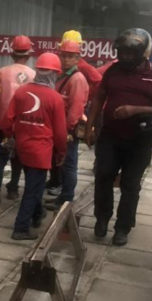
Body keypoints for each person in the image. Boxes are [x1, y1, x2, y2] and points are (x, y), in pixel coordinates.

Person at [85, 28, 152, 247]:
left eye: (129, 53)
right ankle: (102, 219)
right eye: (122, 52)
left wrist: (134, 110)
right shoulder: (113, 71)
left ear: (143, 53)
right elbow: (99, 98)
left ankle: (123, 228)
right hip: (110, 137)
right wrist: (90, 127)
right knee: (103, 177)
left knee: (130, 185)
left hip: (139, 140)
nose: (124, 57)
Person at [0, 53, 67, 240]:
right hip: (41, 152)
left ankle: (37, 215)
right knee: (32, 190)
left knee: (34, 185)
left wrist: (10, 137)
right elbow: (61, 132)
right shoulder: (55, 98)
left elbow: (6, 121)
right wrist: (61, 152)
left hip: (22, 148)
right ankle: (21, 228)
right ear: (55, 74)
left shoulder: (21, 92)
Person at [44, 41, 89, 211]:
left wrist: (67, 130)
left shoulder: (77, 79)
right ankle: (63, 196)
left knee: (69, 163)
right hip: (58, 128)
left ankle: (66, 199)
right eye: (64, 55)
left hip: (67, 129)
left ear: (77, 58)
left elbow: (76, 108)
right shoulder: (62, 75)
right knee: (61, 163)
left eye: (70, 56)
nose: (66, 59)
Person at [0, 35, 35, 204]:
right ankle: (14, 188)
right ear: (28, 55)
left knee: (0, 157)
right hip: (24, 125)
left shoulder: (3, 72)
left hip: (4, 123)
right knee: (18, 158)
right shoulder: (34, 75)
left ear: (12, 54)